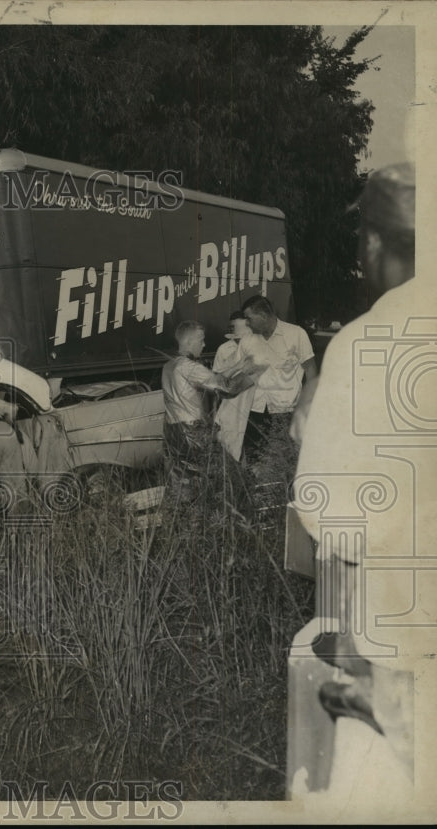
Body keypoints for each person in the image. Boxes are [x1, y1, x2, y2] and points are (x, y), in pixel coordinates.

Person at [288, 162, 432, 799]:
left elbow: (333, 515)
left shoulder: (365, 342)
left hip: (397, 641)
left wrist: (345, 641)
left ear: (372, 244)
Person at [161, 320, 251, 485]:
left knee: (184, 481)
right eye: (201, 339)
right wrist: (253, 374)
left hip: (172, 430)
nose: (204, 344)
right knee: (227, 475)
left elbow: (211, 376)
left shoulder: (168, 365)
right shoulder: (189, 367)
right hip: (192, 430)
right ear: (189, 342)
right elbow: (226, 388)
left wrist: (239, 365)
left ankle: (189, 509)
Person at [238, 294, 317, 458]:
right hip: (254, 409)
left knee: (282, 458)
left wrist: (307, 406)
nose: (246, 323)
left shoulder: (296, 334)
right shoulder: (246, 341)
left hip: (284, 410)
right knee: (255, 457)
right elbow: (240, 374)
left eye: (248, 318)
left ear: (263, 316)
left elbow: (310, 370)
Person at [212, 311, 259, 461]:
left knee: (250, 448)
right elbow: (216, 382)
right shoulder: (224, 350)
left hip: (253, 407)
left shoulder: (259, 349)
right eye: (236, 338)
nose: (239, 342)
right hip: (230, 407)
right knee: (230, 445)